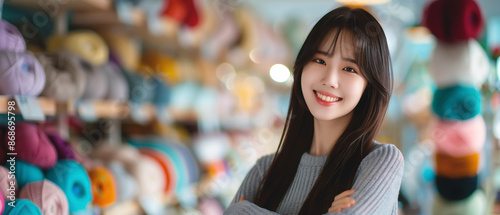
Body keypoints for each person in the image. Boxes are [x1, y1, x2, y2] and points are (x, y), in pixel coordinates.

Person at [224, 5, 404, 215]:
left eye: (349, 68)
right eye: (320, 60)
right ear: (301, 68)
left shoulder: (381, 161)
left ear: (369, 86)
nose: (329, 80)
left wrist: (244, 210)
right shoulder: (265, 170)